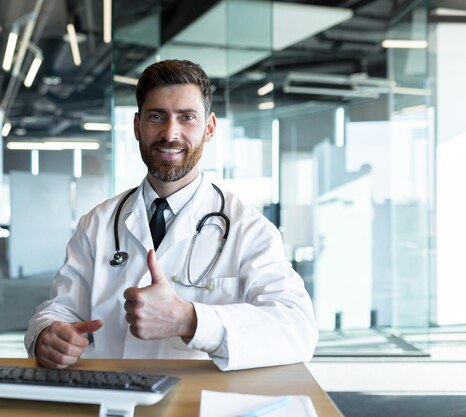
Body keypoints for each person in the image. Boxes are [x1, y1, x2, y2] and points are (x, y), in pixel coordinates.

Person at [25, 59, 318, 371]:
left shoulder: (249, 229)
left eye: (187, 118)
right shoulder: (97, 223)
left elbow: (298, 330)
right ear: (137, 126)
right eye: (156, 116)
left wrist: (189, 320)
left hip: (200, 404)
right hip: (112, 400)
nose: (170, 133)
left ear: (209, 128)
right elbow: (61, 309)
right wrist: (47, 334)